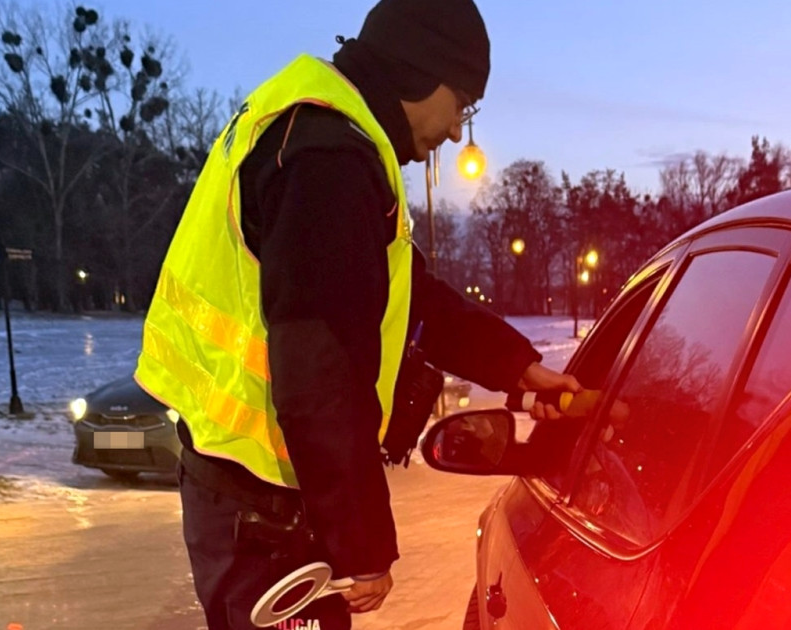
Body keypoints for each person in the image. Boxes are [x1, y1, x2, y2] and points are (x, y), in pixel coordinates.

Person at [134, 1, 579, 628]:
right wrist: (361, 545)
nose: (457, 131)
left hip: (245, 493)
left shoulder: (318, 129)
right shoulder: (330, 162)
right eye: (463, 104)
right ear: (423, 73)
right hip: (267, 512)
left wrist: (515, 366)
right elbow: (321, 373)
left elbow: (407, 295)